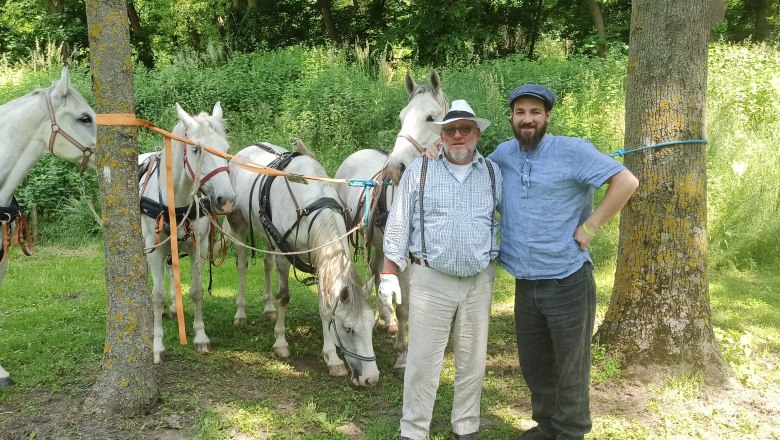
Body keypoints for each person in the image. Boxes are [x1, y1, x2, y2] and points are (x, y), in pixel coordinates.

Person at [489, 84, 639, 440]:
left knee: (570, 365)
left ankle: (571, 431)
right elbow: (473, 174)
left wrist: (591, 226)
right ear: (511, 117)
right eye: (520, 112)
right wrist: (436, 150)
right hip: (525, 282)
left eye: (535, 113)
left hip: (566, 279)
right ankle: (547, 424)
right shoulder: (503, 155)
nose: (527, 119)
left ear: (547, 117)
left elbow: (625, 181)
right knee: (535, 363)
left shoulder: (572, 151)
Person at [379, 99, 502, 440]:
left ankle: (467, 427)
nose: (458, 136)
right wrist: (389, 274)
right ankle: (414, 430)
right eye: (450, 130)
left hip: (479, 282)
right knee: (422, 362)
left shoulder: (492, 172)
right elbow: (398, 225)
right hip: (430, 280)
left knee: (472, 361)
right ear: (440, 136)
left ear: (477, 133)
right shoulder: (419, 171)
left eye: (465, 128)